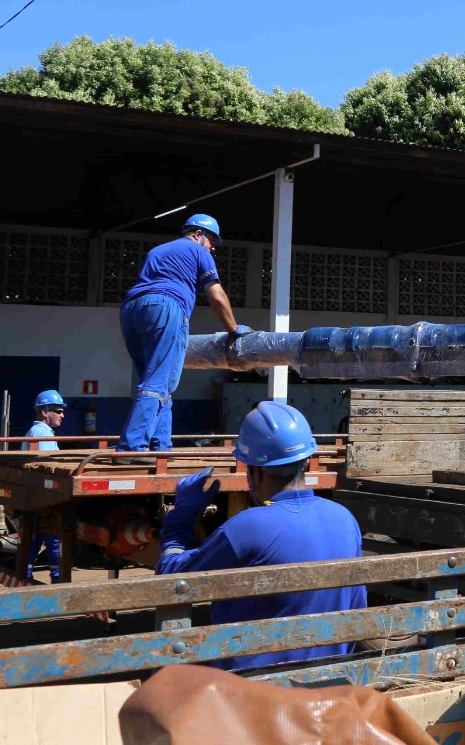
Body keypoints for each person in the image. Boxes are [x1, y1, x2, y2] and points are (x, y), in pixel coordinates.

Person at [156, 401, 366, 671]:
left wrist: (180, 517)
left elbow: (172, 581)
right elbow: (357, 607)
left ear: (254, 470)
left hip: (253, 689)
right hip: (330, 680)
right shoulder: (345, 519)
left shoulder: (247, 527)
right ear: (306, 462)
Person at [117, 213, 251, 452]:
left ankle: (161, 446)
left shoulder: (157, 251)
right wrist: (233, 329)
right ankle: (132, 447)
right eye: (212, 241)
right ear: (198, 234)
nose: (212, 249)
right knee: (157, 382)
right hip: (166, 307)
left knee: (158, 381)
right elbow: (217, 295)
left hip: (132, 310)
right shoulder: (198, 252)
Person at [22, 389, 66, 579]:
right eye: (57, 410)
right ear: (43, 411)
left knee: (36, 537)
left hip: (34, 498)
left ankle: (25, 574)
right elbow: (50, 469)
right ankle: (57, 579)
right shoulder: (43, 433)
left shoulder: (34, 432)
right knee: (53, 539)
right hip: (45, 499)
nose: (62, 415)